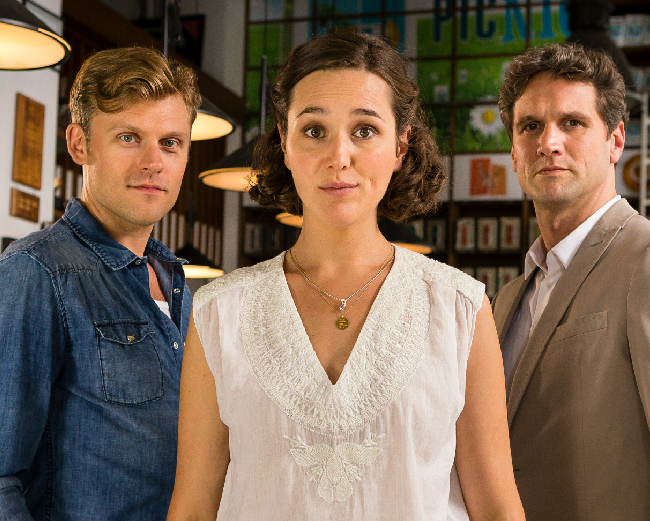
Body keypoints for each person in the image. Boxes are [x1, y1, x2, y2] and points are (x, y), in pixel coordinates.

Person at [166, 32, 524, 520]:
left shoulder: (459, 308)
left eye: (365, 130)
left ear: (401, 146)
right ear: (284, 144)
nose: (339, 155)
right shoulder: (218, 314)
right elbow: (193, 508)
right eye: (314, 130)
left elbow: (498, 509)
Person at [0, 47, 199, 519]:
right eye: (129, 137)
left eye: (170, 142)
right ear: (79, 145)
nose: (153, 161)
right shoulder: (29, 277)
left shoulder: (177, 286)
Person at [491, 42, 650, 520]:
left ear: (616, 141)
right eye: (530, 126)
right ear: (514, 154)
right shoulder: (506, 301)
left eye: (572, 122)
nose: (549, 142)